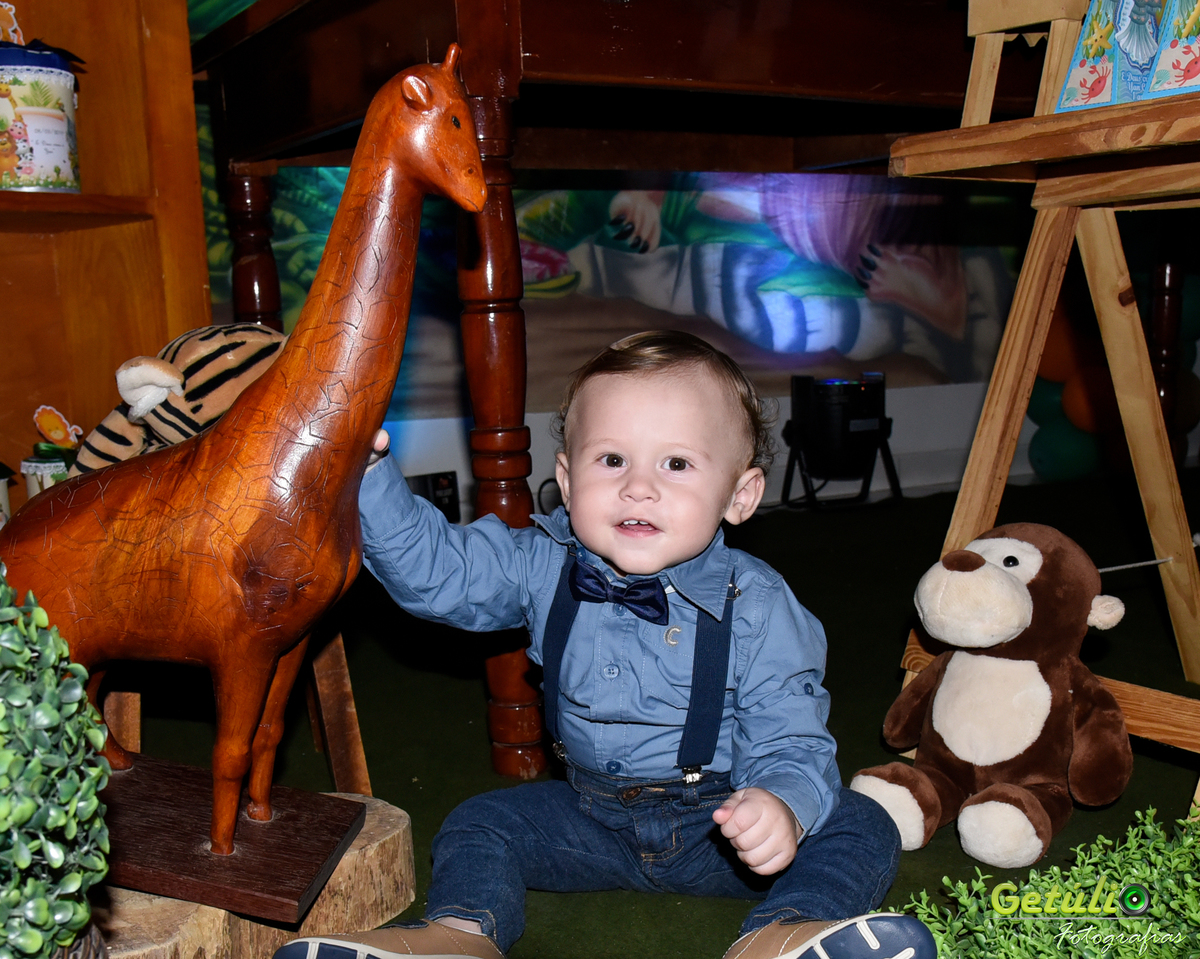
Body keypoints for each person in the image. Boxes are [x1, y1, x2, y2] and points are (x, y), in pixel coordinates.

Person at [273, 331, 935, 959]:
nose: (638, 486)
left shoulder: (758, 604)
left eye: (676, 463)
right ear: (567, 480)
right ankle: (460, 932)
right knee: (478, 822)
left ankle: (781, 932)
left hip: (719, 828)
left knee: (861, 822)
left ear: (740, 495)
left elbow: (791, 736)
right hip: (590, 819)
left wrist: (781, 803)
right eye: (612, 459)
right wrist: (369, 473)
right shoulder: (540, 563)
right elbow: (437, 572)